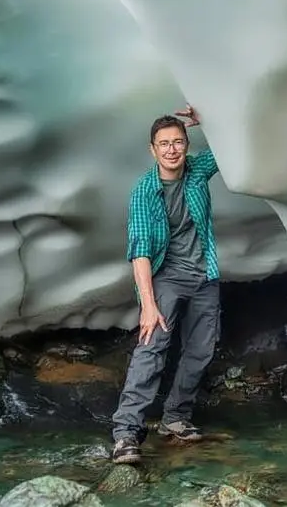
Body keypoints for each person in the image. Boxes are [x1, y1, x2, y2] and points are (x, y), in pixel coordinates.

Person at [111, 106, 222, 465]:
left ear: (186, 145)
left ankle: (176, 417)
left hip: (204, 274)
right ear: (152, 149)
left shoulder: (197, 171)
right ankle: (126, 434)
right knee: (152, 346)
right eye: (164, 144)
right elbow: (140, 251)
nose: (172, 150)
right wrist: (148, 305)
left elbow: (231, 148)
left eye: (178, 142)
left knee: (202, 349)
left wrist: (209, 118)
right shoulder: (144, 191)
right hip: (167, 278)